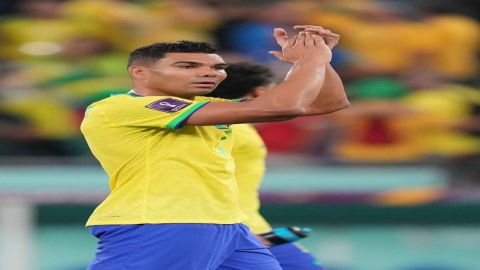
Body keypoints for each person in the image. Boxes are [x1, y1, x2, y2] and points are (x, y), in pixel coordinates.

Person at [81, 25, 349, 270]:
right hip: (161, 221)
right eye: (188, 66)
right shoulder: (120, 107)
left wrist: (322, 59)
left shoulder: (209, 106)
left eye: (217, 67)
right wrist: (309, 61)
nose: (208, 72)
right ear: (139, 72)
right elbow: (282, 106)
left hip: (229, 226)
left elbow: (326, 104)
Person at [207, 61, 324, 269]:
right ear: (258, 94)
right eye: (274, 91)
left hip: (244, 230)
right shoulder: (232, 131)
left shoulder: (229, 127)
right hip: (238, 233)